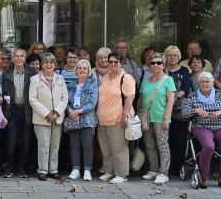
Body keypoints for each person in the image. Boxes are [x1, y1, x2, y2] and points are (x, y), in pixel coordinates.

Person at [181, 71, 221, 189]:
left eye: (207, 81)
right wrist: (196, 110)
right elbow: (184, 113)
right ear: (198, 83)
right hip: (201, 126)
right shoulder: (193, 96)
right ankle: (203, 177)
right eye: (202, 81)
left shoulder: (219, 94)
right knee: (208, 146)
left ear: (212, 83)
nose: (205, 83)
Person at [96, 52, 136, 184]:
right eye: (111, 61)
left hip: (118, 117)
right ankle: (109, 171)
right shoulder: (105, 77)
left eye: (116, 62)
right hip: (102, 118)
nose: (113, 64)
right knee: (105, 148)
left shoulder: (126, 77)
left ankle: (121, 174)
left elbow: (130, 98)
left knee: (119, 148)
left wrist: (124, 116)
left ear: (121, 63)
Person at [139, 53, 176, 185]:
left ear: (163, 65)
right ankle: (154, 170)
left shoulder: (168, 80)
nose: (155, 65)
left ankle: (164, 173)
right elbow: (141, 99)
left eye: (159, 63)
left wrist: (166, 118)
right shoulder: (145, 81)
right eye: (153, 63)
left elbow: (171, 101)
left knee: (162, 145)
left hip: (161, 117)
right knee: (149, 145)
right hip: (147, 118)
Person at [29, 53, 67, 181]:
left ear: (55, 65)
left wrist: (56, 113)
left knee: (55, 145)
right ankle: (43, 170)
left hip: (57, 118)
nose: (48, 64)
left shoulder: (60, 79)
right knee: (43, 145)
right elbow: (33, 99)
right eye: (45, 62)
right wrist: (47, 114)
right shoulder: (35, 79)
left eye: (51, 62)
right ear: (41, 65)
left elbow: (64, 98)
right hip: (41, 118)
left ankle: (53, 170)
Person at [2, 48, 36, 178]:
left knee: (26, 140)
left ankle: (22, 168)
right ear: (13, 58)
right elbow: (3, 92)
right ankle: (10, 167)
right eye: (16, 56)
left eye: (22, 56)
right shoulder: (6, 73)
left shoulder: (32, 73)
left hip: (27, 110)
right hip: (12, 110)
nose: (19, 58)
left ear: (25, 58)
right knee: (10, 140)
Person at [66, 59, 98, 181]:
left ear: (89, 71)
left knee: (87, 145)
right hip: (73, 119)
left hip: (87, 120)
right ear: (76, 70)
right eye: (80, 68)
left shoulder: (92, 84)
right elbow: (65, 100)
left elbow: (92, 103)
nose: (82, 70)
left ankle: (87, 170)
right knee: (74, 145)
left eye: (85, 68)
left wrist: (78, 111)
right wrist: (69, 110)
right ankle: (75, 169)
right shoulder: (71, 84)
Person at [163, 45, 192, 177]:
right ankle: (166, 166)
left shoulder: (184, 70)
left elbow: (186, 86)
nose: (172, 57)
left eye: (175, 55)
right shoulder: (162, 69)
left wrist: (176, 97)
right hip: (162, 109)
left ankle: (178, 165)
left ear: (179, 57)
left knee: (178, 139)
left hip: (179, 110)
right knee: (165, 139)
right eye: (170, 55)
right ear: (166, 57)